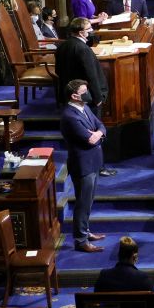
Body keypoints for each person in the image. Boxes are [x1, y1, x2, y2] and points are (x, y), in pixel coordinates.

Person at [60, 77, 116, 252]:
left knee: (88, 201)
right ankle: (81, 240)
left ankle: (86, 230)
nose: (89, 94)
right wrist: (97, 135)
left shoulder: (84, 109)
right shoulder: (69, 116)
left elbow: (101, 126)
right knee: (83, 203)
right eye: (85, 92)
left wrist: (97, 133)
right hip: (82, 164)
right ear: (75, 96)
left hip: (93, 162)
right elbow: (90, 139)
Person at [53, 18, 105, 112]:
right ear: (81, 33)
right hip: (85, 97)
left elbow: (58, 70)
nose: (91, 31)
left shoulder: (62, 46)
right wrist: (98, 98)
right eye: (89, 29)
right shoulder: (83, 49)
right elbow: (91, 76)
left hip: (68, 95)